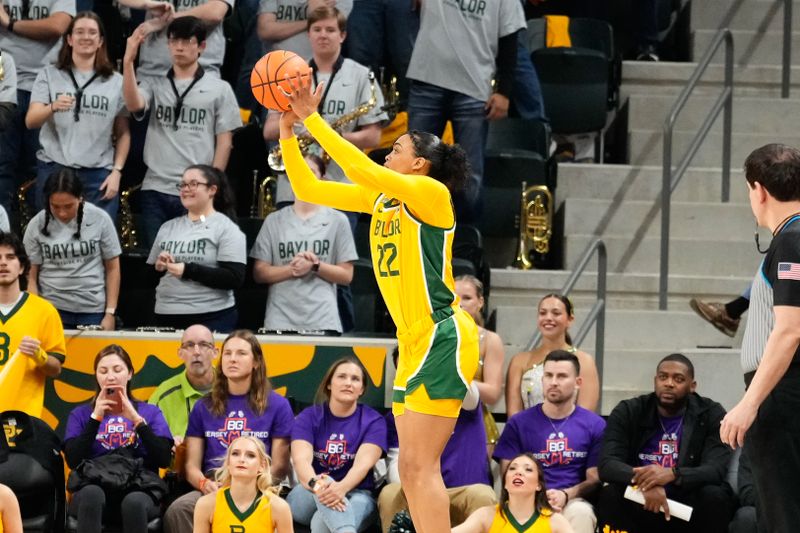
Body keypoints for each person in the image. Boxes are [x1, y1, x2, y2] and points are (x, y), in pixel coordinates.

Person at [279, 72, 481, 533]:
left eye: (398, 148)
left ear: (419, 165)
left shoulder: (432, 195)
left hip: (441, 333)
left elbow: (361, 169)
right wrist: (289, 132)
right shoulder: (385, 201)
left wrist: (315, 118)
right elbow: (311, 190)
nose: (388, 153)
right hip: (411, 341)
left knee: (422, 467)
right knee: (408, 470)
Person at [719, 143, 800, 533]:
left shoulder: (791, 240)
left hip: (782, 396)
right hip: (784, 393)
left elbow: (789, 330)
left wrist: (750, 403)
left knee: (782, 515)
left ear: (759, 190)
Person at [122, 16, 242, 249]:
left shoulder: (220, 88)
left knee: (194, 261)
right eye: (174, 40)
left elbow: (225, 142)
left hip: (197, 190)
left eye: (187, 41)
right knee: (158, 263)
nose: (179, 46)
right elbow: (134, 104)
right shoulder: (155, 83)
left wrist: (212, 187)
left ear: (201, 46)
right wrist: (128, 61)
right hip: (155, 187)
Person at [405, 0, 525, 221]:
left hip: (473, 89)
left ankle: (465, 245)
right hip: (427, 79)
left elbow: (510, 41)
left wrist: (504, 91)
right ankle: (409, 234)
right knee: (412, 166)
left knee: (469, 176)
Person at [263, 5, 386, 220]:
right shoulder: (289, 74)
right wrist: (297, 125)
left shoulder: (361, 75)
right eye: (317, 29)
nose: (323, 35)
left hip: (343, 188)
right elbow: (269, 130)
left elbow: (374, 136)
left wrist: (334, 137)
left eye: (330, 30)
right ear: (308, 34)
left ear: (342, 35)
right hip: (293, 185)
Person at [163, 329, 293, 533]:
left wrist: (250, 486)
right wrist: (204, 484)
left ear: (256, 362)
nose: (233, 359)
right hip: (214, 486)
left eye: (241, 353)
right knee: (179, 509)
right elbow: (190, 465)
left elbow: (279, 466)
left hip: (258, 487)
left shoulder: (278, 405)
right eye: (228, 353)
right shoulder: (203, 406)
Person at [597, 353, 734, 533]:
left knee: (715, 496)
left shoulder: (710, 413)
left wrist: (673, 474)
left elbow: (715, 469)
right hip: (640, 496)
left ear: (692, 386)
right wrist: (647, 483)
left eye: (678, 379)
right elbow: (607, 464)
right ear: (655, 381)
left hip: (686, 497)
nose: (669, 383)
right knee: (610, 494)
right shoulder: (630, 410)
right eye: (663, 377)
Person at [25, 11, 129, 218]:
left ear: (100, 41)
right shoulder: (49, 74)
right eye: (79, 32)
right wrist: (52, 107)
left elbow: (123, 132)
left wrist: (117, 171)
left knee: (97, 242)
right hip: (55, 169)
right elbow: (31, 121)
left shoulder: (117, 81)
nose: (86, 37)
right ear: (70, 39)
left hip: (98, 174)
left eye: (92, 33)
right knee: (51, 239)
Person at [63, 344, 174, 533]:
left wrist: (138, 422)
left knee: (133, 502)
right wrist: (95, 418)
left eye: (117, 369)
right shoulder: (81, 414)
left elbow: (164, 459)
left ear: (130, 373)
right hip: (94, 486)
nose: (110, 376)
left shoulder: (150, 412)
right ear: (96, 376)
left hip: (139, 488)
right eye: (103, 371)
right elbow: (73, 461)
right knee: (91, 494)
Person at [493, 350, 606, 533]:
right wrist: (534, 498)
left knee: (581, 512)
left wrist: (565, 495)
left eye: (561, 376)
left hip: (572, 501)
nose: (553, 382)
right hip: (527, 500)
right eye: (548, 375)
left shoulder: (595, 425)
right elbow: (508, 474)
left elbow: (594, 480)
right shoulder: (519, 423)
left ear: (578, 383)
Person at [379, 367, 496, 532]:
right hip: (422, 491)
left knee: (483, 494)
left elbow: (463, 383)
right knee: (390, 492)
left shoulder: (463, 402)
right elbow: (396, 469)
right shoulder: (397, 415)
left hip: (463, 490)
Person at [251, 154, 357, 334]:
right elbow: (259, 273)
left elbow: (346, 275)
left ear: (322, 179)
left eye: (310, 171)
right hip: (279, 320)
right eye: (296, 171)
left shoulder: (338, 220)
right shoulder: (273, 220)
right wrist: (292, 270)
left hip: (323, 320)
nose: (302, 176)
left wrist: (315, 266)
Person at [288, 357, 386, 532]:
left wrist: (341, 488)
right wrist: (321, 488)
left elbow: (362, 467)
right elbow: (301, 462)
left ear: (362, 389)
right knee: (326, 480)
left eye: (355, 379)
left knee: (321, 524)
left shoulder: (373, 421)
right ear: (329, 384)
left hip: (358, 494)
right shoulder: (308, 417)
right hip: (308, 492)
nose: (348, 383)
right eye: (341, 376)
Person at [147, 165, 246, 332]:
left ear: (212, 190)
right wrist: (158, 266)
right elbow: (148, 278)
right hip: (166, 313)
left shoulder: (226, 228)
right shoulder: (167, 227)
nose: (186, 189)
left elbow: (234, 277)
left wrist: (188, 270)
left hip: (211, 316)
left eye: (193, 184)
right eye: (183, 185)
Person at [23, 168, 121, 330]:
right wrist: (36, 313)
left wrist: (110, 312)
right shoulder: (36, 224)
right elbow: (31, 276)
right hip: (52, 309)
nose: (62, 213)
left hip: (93, 309)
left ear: (80, 198)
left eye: (69, 206)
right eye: (55, 206)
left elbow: (113, 268)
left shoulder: (100, 219)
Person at [0, 0, 73, 214]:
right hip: (4, 82)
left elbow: (57, 26)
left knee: (39, 168)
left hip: (45, 84)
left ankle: (39, 235)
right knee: (2, 166)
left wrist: (9, 22)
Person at [0, 231, 65, 413]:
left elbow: (56, 369)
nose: (3, 262)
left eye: (10, 257)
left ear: (21, 267)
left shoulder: (44, 311)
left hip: (24, 416)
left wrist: (39, 355)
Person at [505, 294, 600, 417]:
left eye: (556, 313)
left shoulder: (584, 361)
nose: (548, 318)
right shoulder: (520, 361)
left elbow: (585, 415)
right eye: (543, 313)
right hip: (528, 434)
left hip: (570, 434)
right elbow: (514, 414)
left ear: (570, 319)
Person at [193, 436, 294, 533]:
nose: (241, 459)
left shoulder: (278, 507)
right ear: (228, 463)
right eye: (235, 454)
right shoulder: (206, 504)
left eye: (250, 455)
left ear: (262, 466)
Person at [452, 453, 573, 533]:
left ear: (539, 485)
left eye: (528, 469)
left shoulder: (555, 521)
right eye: (512, 468)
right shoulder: (486, 515)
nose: (518, 472)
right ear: (505, 483)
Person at [119, 0, 231, 79]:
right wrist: (147, 4)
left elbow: (215, 12)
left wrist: (170, 18)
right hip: (152, 72)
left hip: (201, 73)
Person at [454, 274, 504, 453]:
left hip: (476, 423)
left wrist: (453, 378)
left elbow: (492, 393)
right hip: (438, 419)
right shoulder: (432, 336)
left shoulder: (490, 340)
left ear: (480, 302)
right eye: (454, 297)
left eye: (467, 298)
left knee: (472, 480)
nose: (460, 303)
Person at [148, 324, 217, 443]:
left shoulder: (233, 388)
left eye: (203, 345)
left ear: (215, 353)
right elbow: (149, 444)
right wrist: (168, 446)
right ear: (180, 353)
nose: (196, 352)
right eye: (189, 345)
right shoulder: (162, 396)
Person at [257, 0, 353, 62]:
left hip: (318, 69)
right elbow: (265, 31)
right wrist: (308, 23)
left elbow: (326, 27)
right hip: (277, 67)